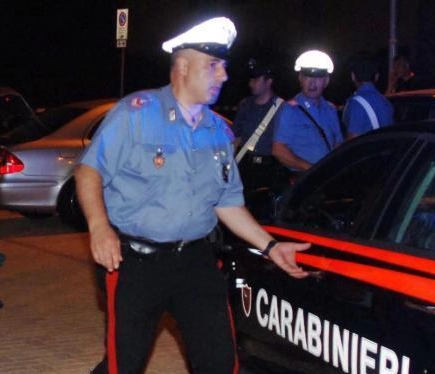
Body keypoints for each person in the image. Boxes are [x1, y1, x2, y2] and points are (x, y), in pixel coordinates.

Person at [74, 17, 309, 374]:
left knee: (219, 362)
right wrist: (99, 227)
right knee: (124, 364)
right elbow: (89, 169)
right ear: (182, 67)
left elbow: (228, 203)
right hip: (136, 263)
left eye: (224, 67)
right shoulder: (135, 114)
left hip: (196, 262)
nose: (224, 76)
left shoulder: (217, 131)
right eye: (213, 66)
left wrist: (272, 247)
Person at [232, 58, 287, 219]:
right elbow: (236, 137)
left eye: (256, 79)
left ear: (268, 81)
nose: (251, 83)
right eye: (250, 79)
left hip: (270, 168)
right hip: (246, 166)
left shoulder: (283, 107)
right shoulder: (245, 105)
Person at [272, 50, 343, 172]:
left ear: (326, 81)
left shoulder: (331, 109)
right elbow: (278, 150)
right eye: (307, 77)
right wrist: (313, 170)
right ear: (300, 78)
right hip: (302, 179)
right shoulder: (290, 110)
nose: (312, 83)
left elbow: (338, 144)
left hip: (328, 179)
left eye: (318, 78)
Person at [342, 57, 394, 139]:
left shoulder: (356, 103)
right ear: (377, 76)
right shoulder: (386, 101)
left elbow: (353, 139)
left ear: (353, 76)